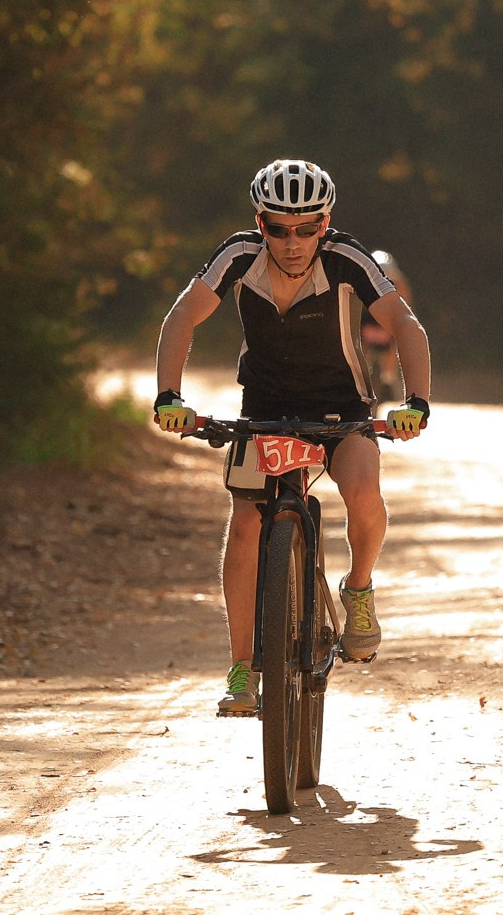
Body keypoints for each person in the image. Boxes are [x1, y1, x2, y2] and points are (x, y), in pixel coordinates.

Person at [151, 159, 433, 716]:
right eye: (278, 228)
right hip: (265, 409)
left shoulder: (347, 260)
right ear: (260, 224)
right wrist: (169, 396)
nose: (294, 241)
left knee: (362, 490)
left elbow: (405, 326)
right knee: (247, 525)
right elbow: (182, 317)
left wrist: (416, 403)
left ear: (325, 224)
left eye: (308, 228)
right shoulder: (237, 257)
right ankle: (240, 670)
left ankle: (358, 589)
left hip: (340, 410)